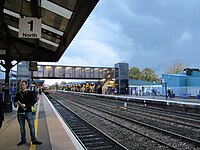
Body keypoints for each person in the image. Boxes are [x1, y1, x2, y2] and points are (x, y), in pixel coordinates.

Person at [14, 80, 42, 146]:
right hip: (20, 113)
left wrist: (26, 105)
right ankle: (23, 140)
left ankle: (34, 140)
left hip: (28, 112)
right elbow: (15, 103)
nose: (22, 86)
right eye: (21, 85)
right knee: (22, 127)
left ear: (26, 85)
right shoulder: (18, 94)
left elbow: (34, 101)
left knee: (31, 126)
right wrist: (16, 104)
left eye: (23, 85)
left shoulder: (30, 93)